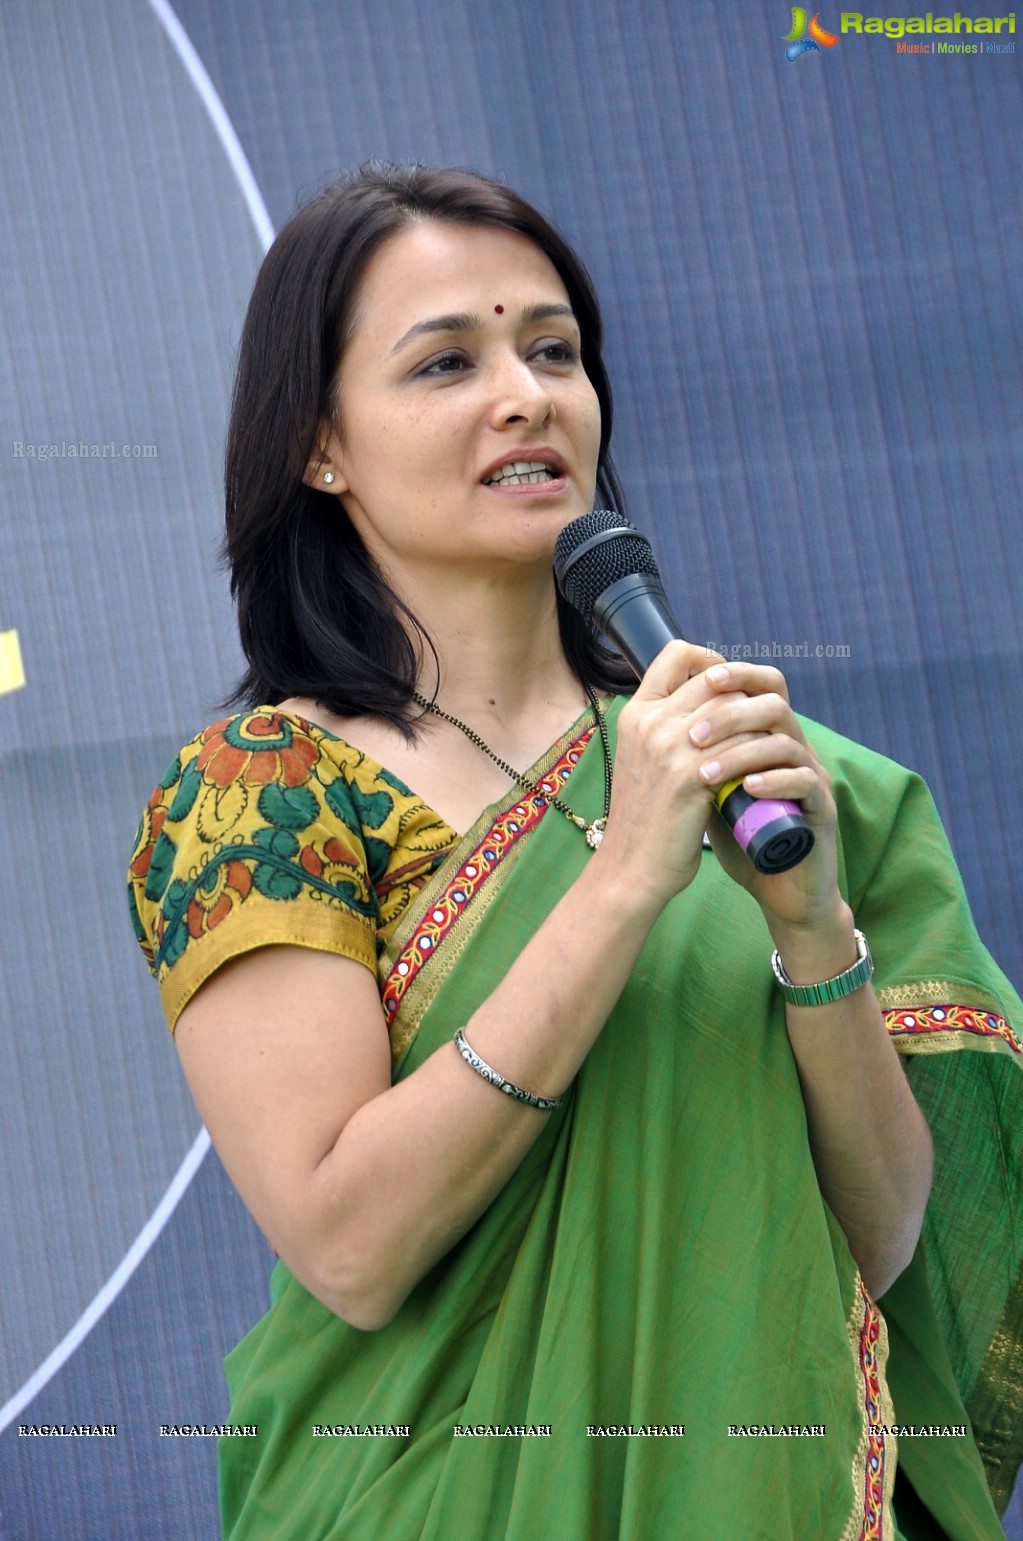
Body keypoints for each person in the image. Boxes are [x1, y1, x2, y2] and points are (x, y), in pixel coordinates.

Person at [128, 163, 1022, 1540]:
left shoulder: (779, 774)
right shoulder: (265, 796)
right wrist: (623, 880)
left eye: (554, 349)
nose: (527, 394)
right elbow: (351, 1245)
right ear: (321, 443)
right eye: (446, 363)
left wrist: (808, 927)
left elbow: (896, 1240)